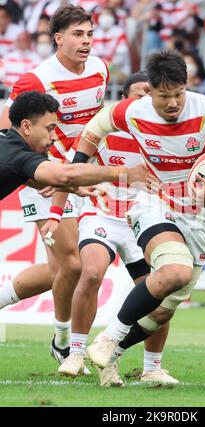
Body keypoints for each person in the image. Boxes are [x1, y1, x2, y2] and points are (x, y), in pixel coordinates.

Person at [72, 49, 205, 372]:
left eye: (179, 94)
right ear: (150, 91)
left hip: (199, 212)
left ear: (187, 86)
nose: (173, 103)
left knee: (165, 308)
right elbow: (93, 132)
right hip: (154, 202)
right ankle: (109, 336)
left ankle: (112, 356)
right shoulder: (133, 111)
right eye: (164, 96)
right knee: (175, 271)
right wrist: (75, 173)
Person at [0, 5, 109, 368]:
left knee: (60, 270)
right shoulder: (37, 79)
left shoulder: (100, 70)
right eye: (78, 34)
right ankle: (63, 342)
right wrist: (32, 173)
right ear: (57, 38)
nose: (86, 42)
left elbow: (97, 122)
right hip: (44, 178)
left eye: (90, 34)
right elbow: (8, 127)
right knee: (72, 266)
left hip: (81, 178)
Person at [58, 71, 177, 386]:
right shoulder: (102, 126)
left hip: (143, 219)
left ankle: (151, 367)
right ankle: (76, 353)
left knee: (161, 290)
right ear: (124, 99)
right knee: (92, 272)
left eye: (150, 93)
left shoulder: (164, 133)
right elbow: (77, 166)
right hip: (102, 213)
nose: (145, 99)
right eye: (139, 93)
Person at [0, 91, 148, 201]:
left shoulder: (6, 140)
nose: (53, 137)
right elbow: (66, 174)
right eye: (49, 129)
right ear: (26, 126)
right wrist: (125, 173)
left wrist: (71, 187)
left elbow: (30, 179)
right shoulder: (18, 155)